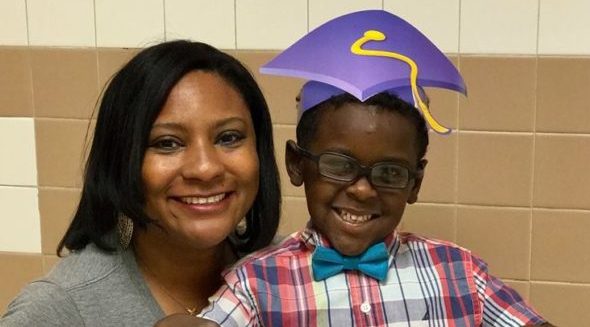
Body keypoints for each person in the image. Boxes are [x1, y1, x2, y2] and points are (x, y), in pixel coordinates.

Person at [155, 10, 553, 327]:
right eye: (338, 165)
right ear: (297, 165)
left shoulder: (461, 272)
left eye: (390, 173)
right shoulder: (256, 286)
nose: (363, 190)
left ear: (415, 183)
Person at [0, 40, 281, 326]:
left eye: (228, 137)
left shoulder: (296, 275)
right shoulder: (59, 309)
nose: (205, 168)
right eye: (167, 143)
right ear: (121, 161)